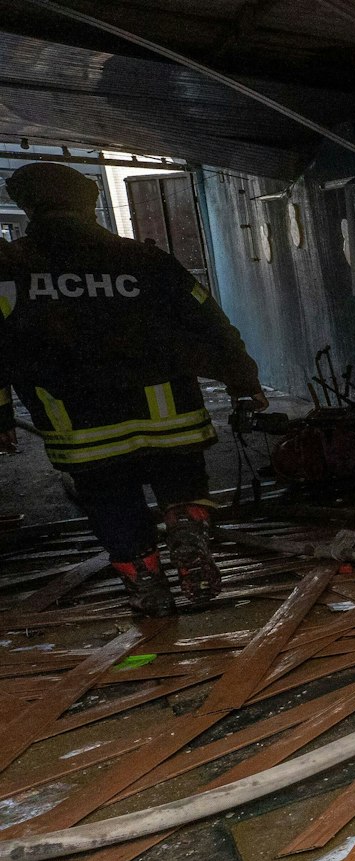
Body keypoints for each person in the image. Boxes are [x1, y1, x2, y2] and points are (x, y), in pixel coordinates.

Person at [0, 162, 264, 616]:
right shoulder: (145, 260)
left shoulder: (9, 269)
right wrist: (242, 381)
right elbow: (210, 322)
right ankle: (185, 527)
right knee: (182, 483)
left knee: (111, 502)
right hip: (170, 417)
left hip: (81, 427)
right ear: (92, 204)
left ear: (27, 206)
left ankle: (146, 582)